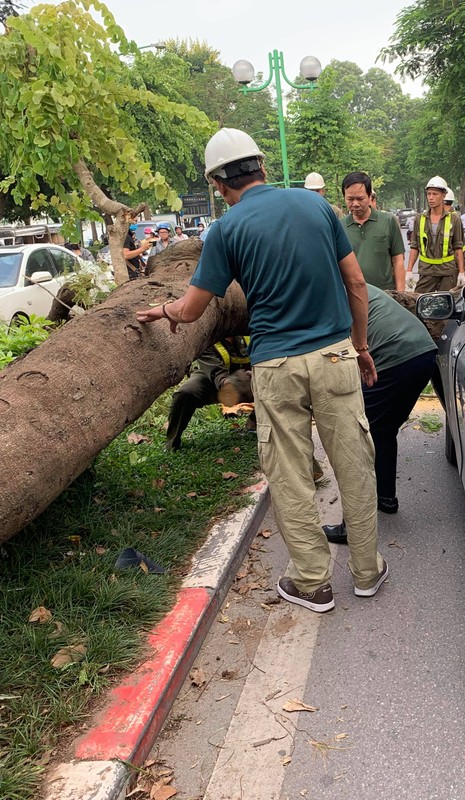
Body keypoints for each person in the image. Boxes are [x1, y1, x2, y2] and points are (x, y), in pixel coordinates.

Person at [136, 128, 387, 613]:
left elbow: (190, 310)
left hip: (275, 365)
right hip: (336, 355)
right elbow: (355, 281)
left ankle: (313, 583)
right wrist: (361, 347)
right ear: (263, 168)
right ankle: (367, 571)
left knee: (289, 473)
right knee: (354, 464)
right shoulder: (316, 208)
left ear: (217, 183)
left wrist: (160, 312)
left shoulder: (225, 231)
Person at [321, 284, 438, 541]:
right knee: (382, 429)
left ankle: (352, 527)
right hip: (423, 354)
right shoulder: (344, 283)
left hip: (395, 356)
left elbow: (335, 351)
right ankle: (386, 497)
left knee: (357, 438)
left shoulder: (326, 292)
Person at [165, 337, 252, 450]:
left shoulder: (248, 329)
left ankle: (255, 423)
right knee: (185, 393)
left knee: (273, 380)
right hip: (212, 378)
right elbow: (217, 374)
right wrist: (232, 383)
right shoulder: (206, 337)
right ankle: (172, 442)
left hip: (248, 374)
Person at [341, 171, 406, 291]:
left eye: (360, 199)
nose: (355, 204)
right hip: (352, 295)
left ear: (370, 196)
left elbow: (398, 259)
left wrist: (401, 294)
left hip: (385, 295)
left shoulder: (388, 221)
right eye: (350, 199)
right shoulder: (340, 226)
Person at [407, 175, 465, 293]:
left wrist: (461, 272)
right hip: (426, 272)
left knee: (447, 306)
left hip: (448, 272)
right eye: (429, 194)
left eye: (435, 194)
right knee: (420, 303)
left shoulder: (454, 220)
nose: (431, 198)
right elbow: (415, 246)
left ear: (443, 195)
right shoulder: (420, 219)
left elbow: (458, 247)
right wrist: (409, 270)